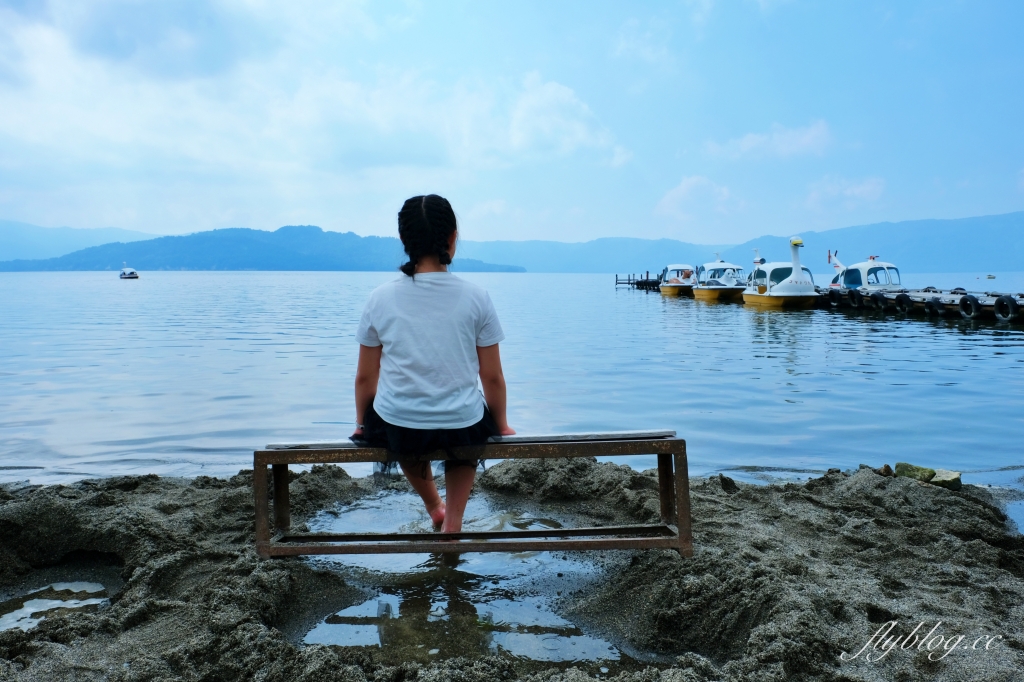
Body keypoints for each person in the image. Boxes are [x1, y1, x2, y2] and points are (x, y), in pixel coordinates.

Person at [351, 194, 515, 534]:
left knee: (394, 426)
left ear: (404, 241)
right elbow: (493, 377)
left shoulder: (379, 299)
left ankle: (434, 507)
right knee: (470, 430)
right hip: (462, 422)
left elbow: (366, 377)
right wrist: (500, 423)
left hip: (402, 424)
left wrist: (360, 423)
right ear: (453, 238)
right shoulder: (476, 297)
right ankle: (453, 522)